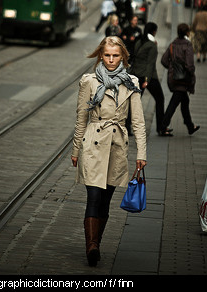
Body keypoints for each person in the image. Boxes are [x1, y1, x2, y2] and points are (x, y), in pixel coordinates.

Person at [71, 36, 147, 267]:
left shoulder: (131, 82)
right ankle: (91, 246)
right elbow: (81, 118)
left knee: (105, 200)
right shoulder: (90, 81)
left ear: (123, 56)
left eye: (116, 56)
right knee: (93, 196)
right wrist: (76, 149)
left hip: (117, 147)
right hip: (93, 143)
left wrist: (141, 153)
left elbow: (139, 122)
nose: (111, 60)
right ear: (100, 56)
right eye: (107, 55)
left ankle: (97, 242)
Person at [160, 23, 200, 136]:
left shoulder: (173, 44)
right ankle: (163, 127)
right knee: (174, 103)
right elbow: (189, 64)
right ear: (187, 32)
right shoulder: (187, 45)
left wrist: (172, 68)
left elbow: (163, 60)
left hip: (174, 78)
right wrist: (191, 73)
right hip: (184, 79)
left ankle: (190, 126)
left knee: (184, 102)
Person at [129, 22, 167, 135]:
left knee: (134, 102)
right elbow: (150, 64)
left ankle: (126, 125)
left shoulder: (139, 41)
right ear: (154, 31)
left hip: (136, 74)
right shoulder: (152, 45)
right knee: (160, 98)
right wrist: (146, 80)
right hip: (147, 76)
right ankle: (160, 127)